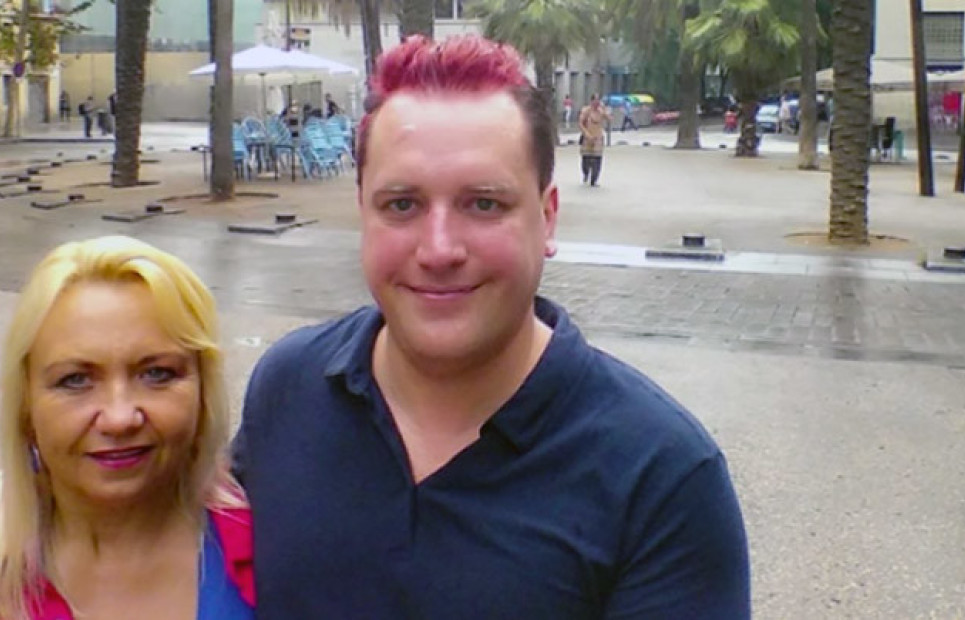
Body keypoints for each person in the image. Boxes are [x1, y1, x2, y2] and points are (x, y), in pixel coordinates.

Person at [234, 34, 749, 619]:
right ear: (363, 215)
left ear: (547, 218)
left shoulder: (661, 478)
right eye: (401, 205)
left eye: (483, 204)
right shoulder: (288, 389)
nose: (439, 250)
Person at [0, 236, 254, 620]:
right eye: (75, 380)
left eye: (157, 374)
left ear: (204, 393)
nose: (119, 419)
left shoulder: (276, 551)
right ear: (25, 405)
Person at [578, 94, 610, 186]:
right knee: (586, 159)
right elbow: (580, 123)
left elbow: (609, 119)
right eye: (595, 100)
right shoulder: (586, 111)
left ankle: (594, 179)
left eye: (598, 100)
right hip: (587, 137)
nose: (597, 103)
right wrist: (586, 133)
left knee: (597, 159)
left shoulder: (601, 111)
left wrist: (604, 110)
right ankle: (586, 173)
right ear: (591, 101)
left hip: (598, 138)